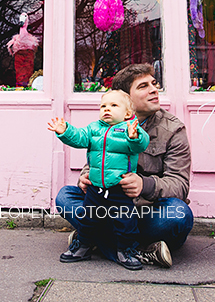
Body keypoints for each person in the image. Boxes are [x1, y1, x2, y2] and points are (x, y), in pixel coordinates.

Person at [55, 64, 193, 269]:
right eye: (143, 86)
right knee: (65, 197)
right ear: (125, 98)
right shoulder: (104, 125)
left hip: (145, 212)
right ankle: (138, 251)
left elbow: (180, 184)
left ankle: (92, 240)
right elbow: (94, 161)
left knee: (179, 215)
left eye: (154, 84)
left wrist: (144, 184)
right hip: (105, 204)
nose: (154, 90)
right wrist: (86, 177)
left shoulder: (173, 129)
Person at [48, 90, 149, 270]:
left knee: (125, 222)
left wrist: (135, 136)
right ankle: (83, 246)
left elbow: (141, 145)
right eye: (103, 106)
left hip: (119, 188)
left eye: (113, 105)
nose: (107, 109)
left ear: (127, 113)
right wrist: (65, 131)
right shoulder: (94, 128)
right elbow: (79, 138)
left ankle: (125, 250)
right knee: (88, 219)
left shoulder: (130, 129)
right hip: (96, 188)